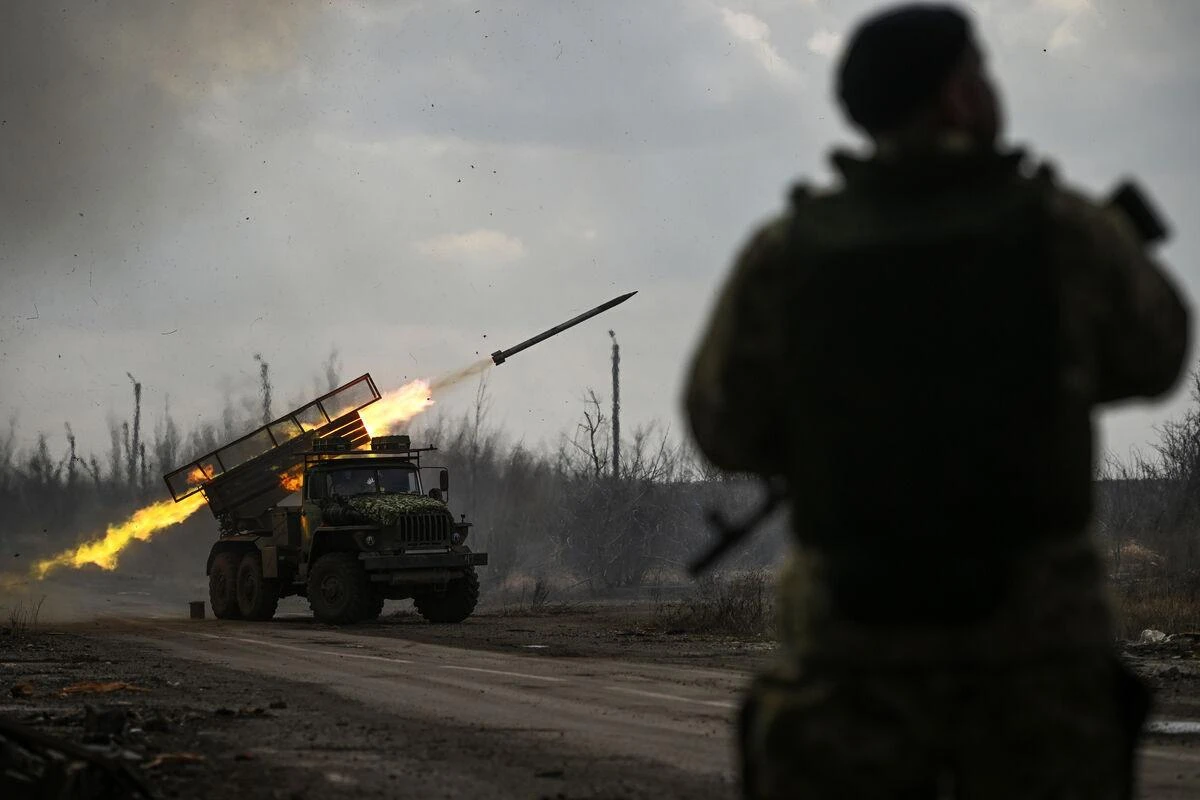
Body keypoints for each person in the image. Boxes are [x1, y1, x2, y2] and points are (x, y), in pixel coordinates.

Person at [682, 3, 1189, 798]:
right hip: (1034, 663)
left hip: (855, 653)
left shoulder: (789, 253)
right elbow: (1156, 355)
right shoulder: (1063, 231)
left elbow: (722, 424)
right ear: (955, 95)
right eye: (980, 70)